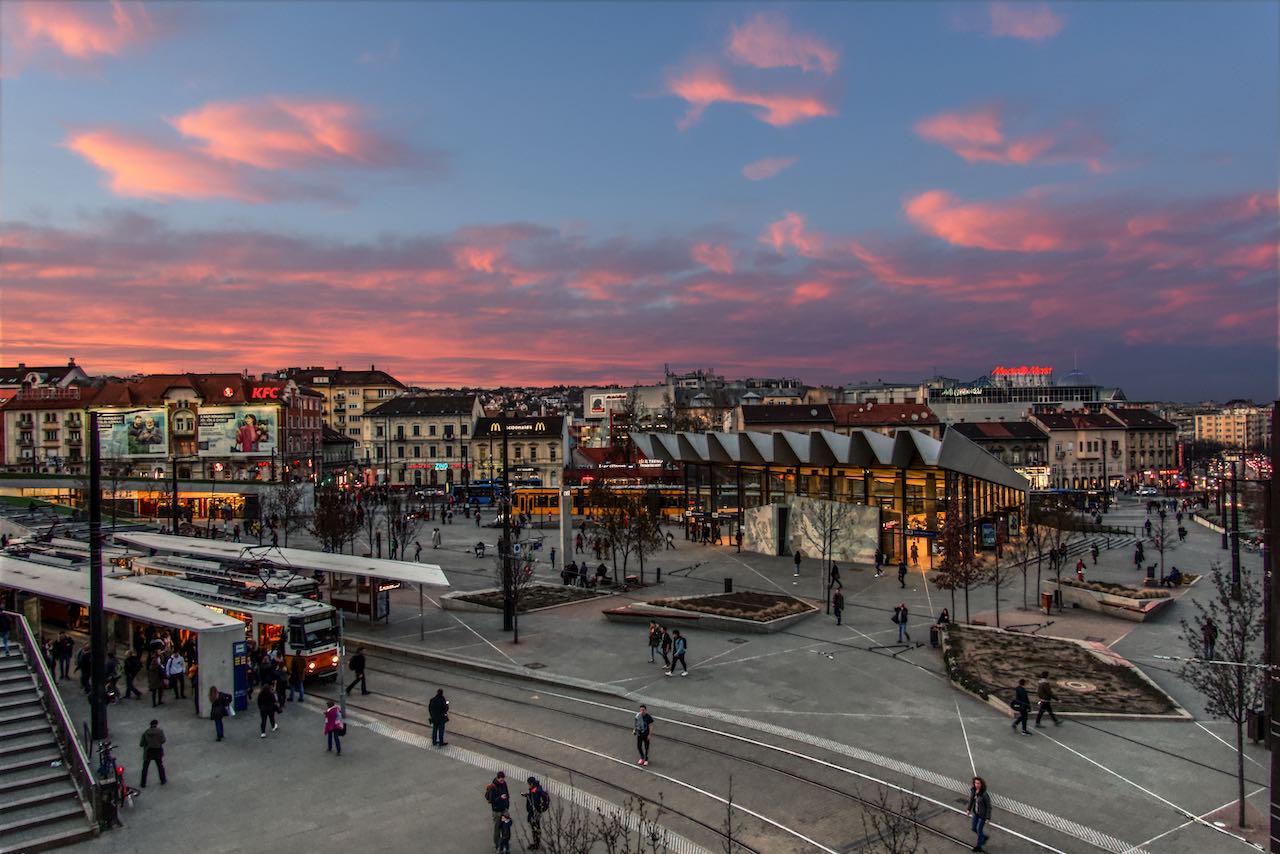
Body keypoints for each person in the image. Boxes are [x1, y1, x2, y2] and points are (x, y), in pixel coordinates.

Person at [485, 772, 511, 850]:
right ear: (497, 778)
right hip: (497, 811)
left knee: (506, 828)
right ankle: (497, 844)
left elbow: (507, 794)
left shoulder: (504, 783)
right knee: (497, 829)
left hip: (504, 809)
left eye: (503, 780)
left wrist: (507, 804)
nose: (502, 781)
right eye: (501, 780)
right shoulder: (493, 787)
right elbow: (491, 800)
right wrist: (500, 797)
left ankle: (505, 843)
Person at [139, 719, 167, 787]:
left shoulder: (146, 732)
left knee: (145, 767)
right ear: (156, 724)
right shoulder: (160, 731)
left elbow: (141, 744)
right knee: (160, 766)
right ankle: (163, 780)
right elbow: (163, 740)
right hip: (157, 750)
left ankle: (143, 783)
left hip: (148, 751)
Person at [523, 777, 549, 850]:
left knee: (535, 829)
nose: (528, 785)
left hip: (534, 813)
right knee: (537, 828)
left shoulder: (535, 792)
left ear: (531, 784)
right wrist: (527, 795)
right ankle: (537, 843)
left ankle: (536, 844)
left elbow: (533, 805)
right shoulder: (537, 788)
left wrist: (530, 816)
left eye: (528, 784)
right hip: (537, 812)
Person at [967, 776, 991, 852]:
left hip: (982, 816)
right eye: (975, 783)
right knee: (974, 828)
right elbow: (971, 800)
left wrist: (987, 817)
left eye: (978, 783)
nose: (976, 784)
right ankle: (983, 837)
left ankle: (979, 846)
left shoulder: (984, 794)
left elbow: (988, 806)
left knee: (979, 830)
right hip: (976, 813)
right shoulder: (973, 791)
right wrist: (968, 809)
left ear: (981, 784)